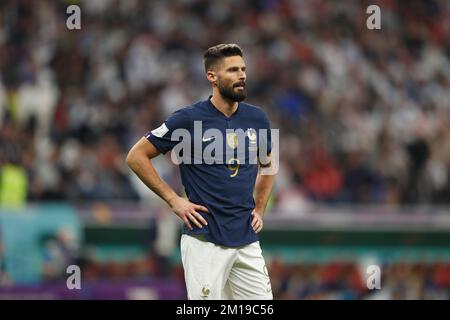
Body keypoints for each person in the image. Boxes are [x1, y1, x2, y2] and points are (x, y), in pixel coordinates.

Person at [126, 44, 276, 300]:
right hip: (204, 240)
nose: (241, 75)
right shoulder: (188, 119)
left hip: (246, 238)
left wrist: (260, 208)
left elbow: (269, 164)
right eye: (232, 70)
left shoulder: (257, 118)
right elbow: (136, 156)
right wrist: (174, 200)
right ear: (212, 77)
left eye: (243, 69)